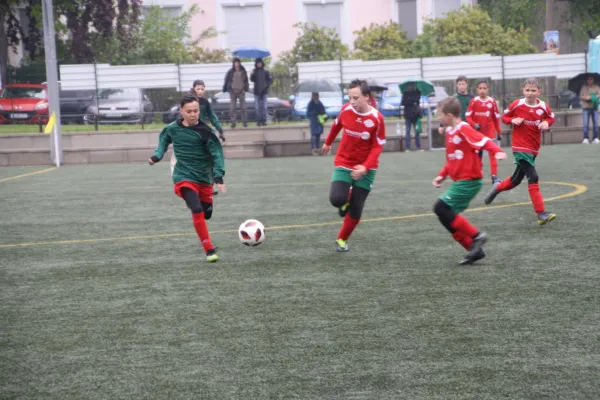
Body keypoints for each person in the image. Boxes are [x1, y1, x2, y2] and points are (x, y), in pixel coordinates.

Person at [149, 94, 226, 263]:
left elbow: (217, 154)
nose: (193, 114)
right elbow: (163, 142)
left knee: (206, 213)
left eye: (196, 111)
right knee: (197, 209)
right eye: (189, 111)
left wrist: (218, 176)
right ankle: (209, 249)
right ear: (181, 111)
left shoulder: (206, 131)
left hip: (204, 179)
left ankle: (202, 203)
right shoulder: (172, 128)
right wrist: (157, 156)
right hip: (183, 176)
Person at [432, 97, 506, 265]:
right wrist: (442, 175)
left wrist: (497, 151)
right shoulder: (450, 132)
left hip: (470, 181)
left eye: (439, 114)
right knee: (445, 216)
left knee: (440, 207)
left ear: (449, 115)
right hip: (460, 182)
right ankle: (474, 250)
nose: (438, 118)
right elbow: (451, 160)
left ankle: (476, 236)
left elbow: (484, 140)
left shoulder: (463, 128)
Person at [321, 79, 386, 252]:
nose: (352, 102)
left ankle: (342, 239)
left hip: (367, 168)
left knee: (356, 210)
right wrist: (328, 143)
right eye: (350, 98)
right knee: (337, 199)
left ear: (367, 97)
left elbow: (377, 146)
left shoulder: (377, 119)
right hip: (344, 161)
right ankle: (345, 199)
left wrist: (365, 167)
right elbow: (336, 126)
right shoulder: (346, 110)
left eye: (356, 98)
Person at [484, 78, 556, 225]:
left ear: (539, 92)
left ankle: (497, 187)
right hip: (520, 147)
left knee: (515, 180)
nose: (530, 93)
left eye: (533, 90)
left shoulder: (543, 107)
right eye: (527, 90)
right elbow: (504, 117)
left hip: (533, 148)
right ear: (523, 91)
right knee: (533, 177)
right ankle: (541, 213)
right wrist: (512, 120)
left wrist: (545, 122)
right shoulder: (517, 104)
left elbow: (551, 118)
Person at [465, 80, 502, 184]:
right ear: (477, 90)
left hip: (489, 132)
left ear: (488, 89)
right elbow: (468, 116)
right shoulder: (474, 101)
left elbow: (495, 118)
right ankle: (476, 175)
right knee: (477, 154)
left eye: (484, 88)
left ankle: (494, 177)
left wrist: (499, 132)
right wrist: (474, 124)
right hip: (477, 133)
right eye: (480, 88)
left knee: (492, 153)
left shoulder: (492, 101)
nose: (482, 90)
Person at [222, 57, 249, 128]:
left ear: (239, 63)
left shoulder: (243, 71)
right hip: (233, 91)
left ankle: (245, 122)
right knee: (233, 108)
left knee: (243, 108)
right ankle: (233, 122)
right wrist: (226, 88)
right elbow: (226, 80)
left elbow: (246, 81)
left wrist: (245, 89)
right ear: (233, 63)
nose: (236, 64)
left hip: (241, 91)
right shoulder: (230, 71)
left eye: (237, 62)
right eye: (235, 62)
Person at [250, 58, 273, 126]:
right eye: (258, 63)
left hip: (264, 92)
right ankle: (258, 121)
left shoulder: (266, 71)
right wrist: (252, 74)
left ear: (262, 63)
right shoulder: (254, 71)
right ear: (256, 64)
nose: (259, 64)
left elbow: (270, 80)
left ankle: (264, 120)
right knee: (257, 107)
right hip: (256, 92)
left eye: (260, 63)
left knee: (264, 107)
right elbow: (252, 79)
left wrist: (266, 85)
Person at [400, 82, 422, 151]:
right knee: (407, 132)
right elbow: (403, 102)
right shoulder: (405, 93)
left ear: (413, 86)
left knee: (417, 132)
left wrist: (410, 100)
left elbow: (417, 100)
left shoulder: (417, 92)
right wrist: (412, 101)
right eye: (409, 85)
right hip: (408, 115)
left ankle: (418, 147)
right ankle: (408, 147)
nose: (410, 86)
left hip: (416, 115)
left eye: (411, 85)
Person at [579, 75, 600, 144]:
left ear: (593, 80)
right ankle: (585, 138)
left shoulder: (597, 87)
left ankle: (595, 138)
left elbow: (599, 94)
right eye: (588, 79)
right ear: (587, 80)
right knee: (585, 124)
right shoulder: (584, 87)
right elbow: (580, 96)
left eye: (591, 79)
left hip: (594, 108)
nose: (590, 81)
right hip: (586, 108)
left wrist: (593, 97)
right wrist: (586, 98)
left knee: (596, 123)